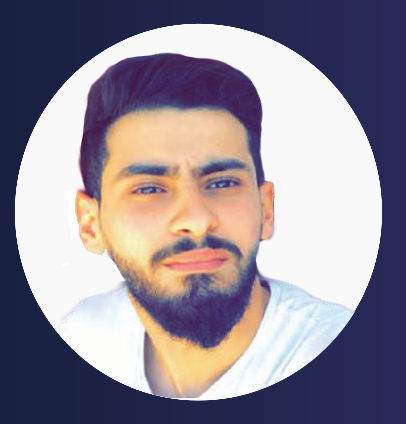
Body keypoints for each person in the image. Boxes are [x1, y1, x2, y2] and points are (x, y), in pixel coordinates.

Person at [59, 53, 352, 399]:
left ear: (266, 210)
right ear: (90, 225)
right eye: (149, 189)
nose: (197, 221)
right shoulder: (83, 339)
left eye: (223, 183)